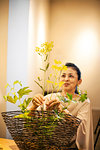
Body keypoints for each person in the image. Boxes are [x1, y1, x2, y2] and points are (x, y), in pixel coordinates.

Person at [28, 63, 94, 150]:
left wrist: (61, 110)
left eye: (71, 76)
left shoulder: (84, 102)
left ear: (79, 82)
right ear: (59, 80)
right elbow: (29, 121)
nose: (66, 79)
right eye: (63, 76)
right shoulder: (50, 97)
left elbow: (81, 129)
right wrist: (34, 106)